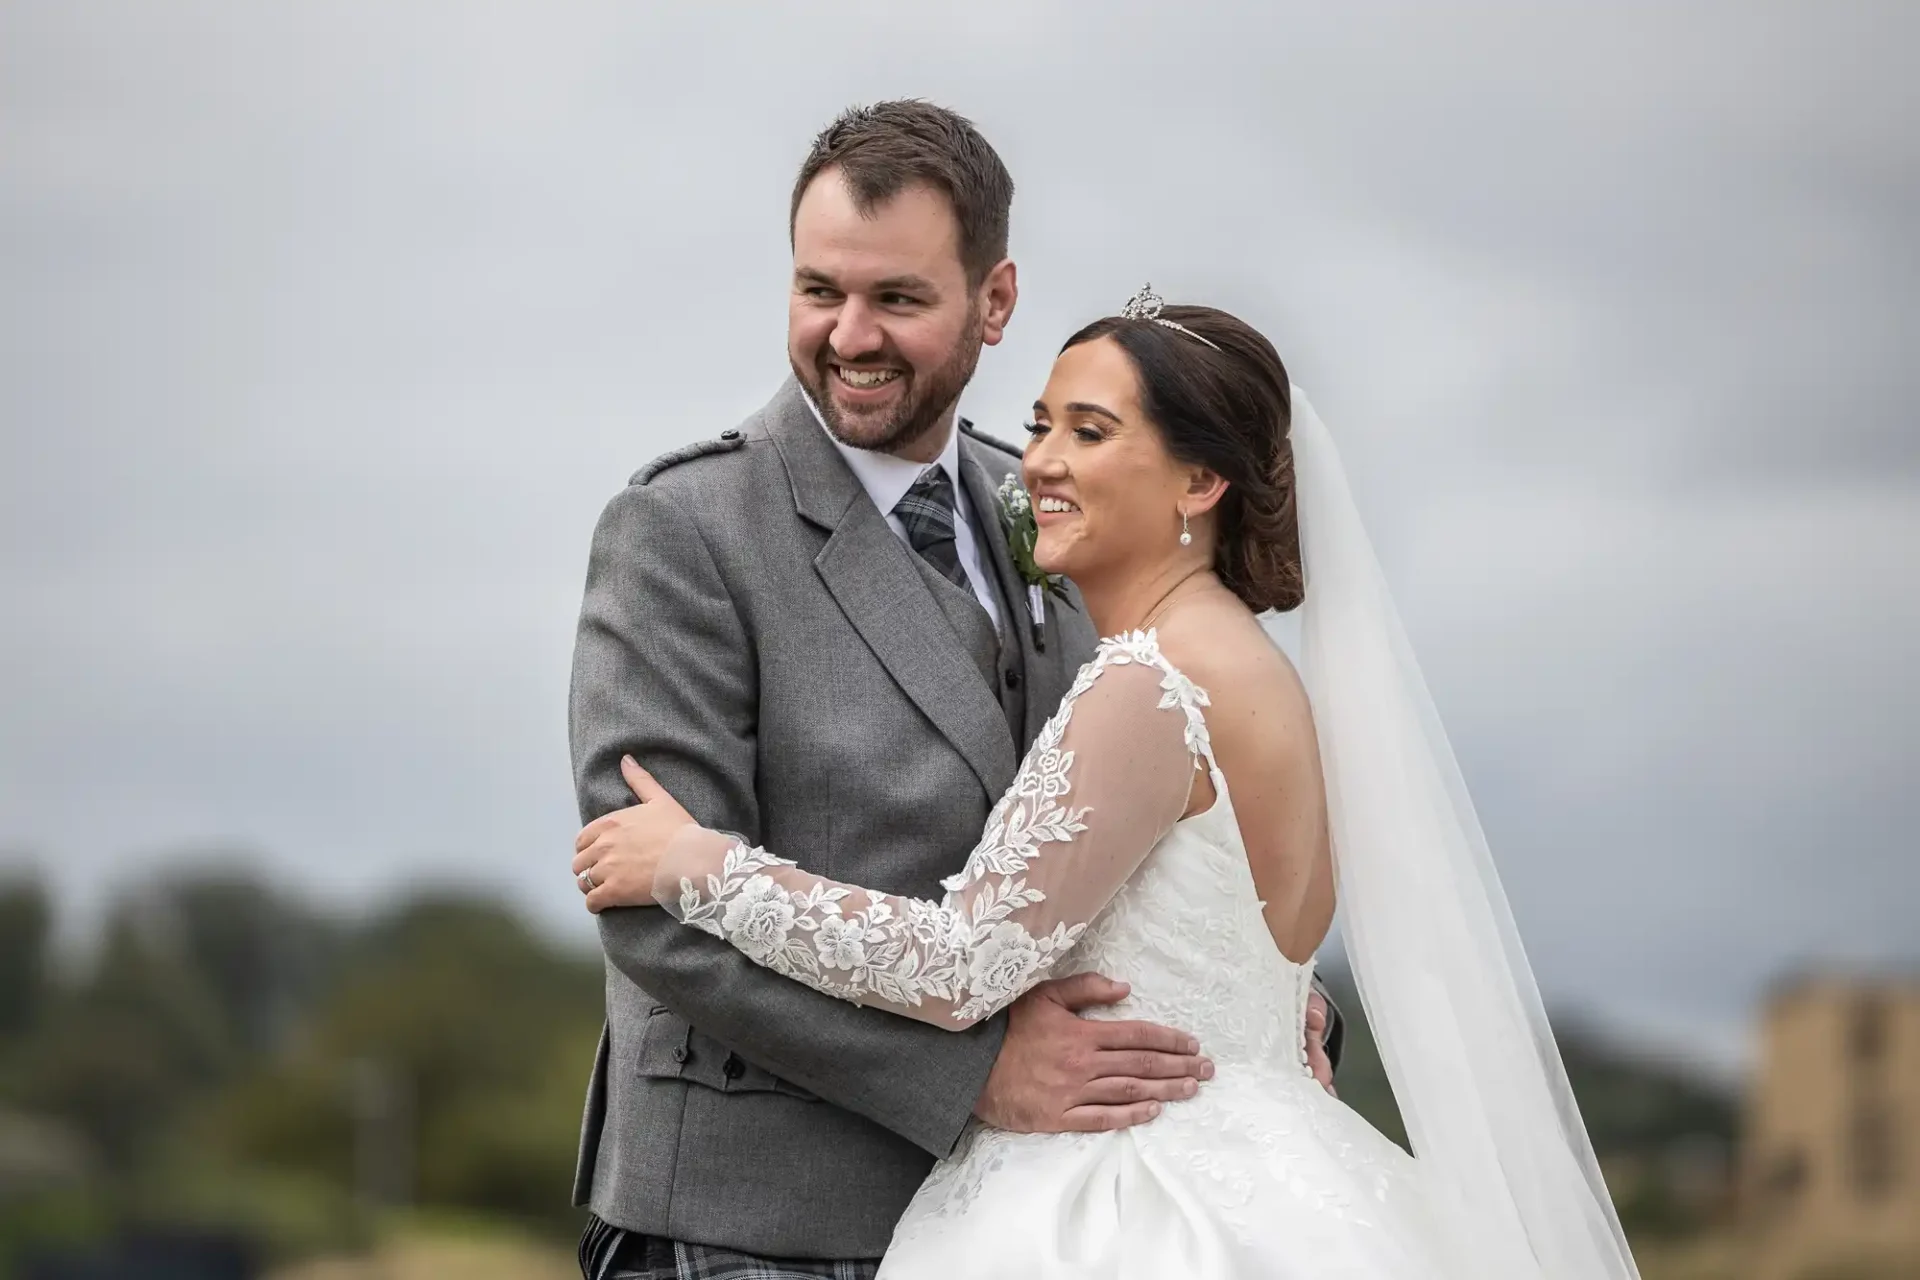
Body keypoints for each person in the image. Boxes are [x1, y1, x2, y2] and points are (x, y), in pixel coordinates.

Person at [575, 292, 1645, 1278]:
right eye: (1041, 423)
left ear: (1199, 482)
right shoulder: (1264, 673)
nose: (1037, 460)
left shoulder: (1152, 680)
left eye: (1089, 431)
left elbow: (959, 965)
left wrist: (697, 863)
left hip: (1137, 1197)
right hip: (1289, 1169)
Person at [566, 102, 1340, 1280]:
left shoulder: (1064, 514)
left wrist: (1242, 1008)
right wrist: (973, 1073)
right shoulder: (683, 529)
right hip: (755, 1223)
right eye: (819, 289)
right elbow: (651, 903)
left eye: (899, 299)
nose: (850, 333)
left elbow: (1142, 823)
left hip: (1045, 1214)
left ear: (995, 300)